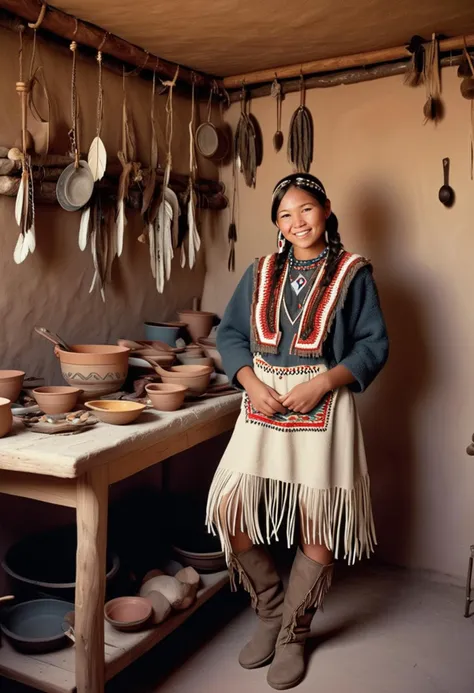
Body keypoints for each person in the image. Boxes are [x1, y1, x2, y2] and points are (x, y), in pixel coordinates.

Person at [206, 172, 389, 690]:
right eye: (285, 215)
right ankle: (269, 611)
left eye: (306, 209)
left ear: (326, 210)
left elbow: (373, 346)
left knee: (320, 520)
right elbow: (232, 334)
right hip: (262, 404)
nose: (297, 221)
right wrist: (247, 381)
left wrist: (324, 383)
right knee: (230, 507)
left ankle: (293, 631)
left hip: (324, 406)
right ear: (278, 226)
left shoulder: (354, 274)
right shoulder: (260, 271)